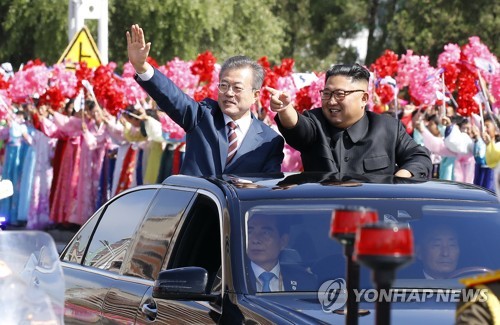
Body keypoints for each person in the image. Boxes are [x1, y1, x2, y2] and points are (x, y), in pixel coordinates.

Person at [126, 24, 284, 176]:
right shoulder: (202, 116)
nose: (229, 93)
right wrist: (142, 67)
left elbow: (267, 190)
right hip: (194, 202)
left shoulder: (269, 141)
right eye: (224, 85)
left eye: (237, 88)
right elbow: (172, 96)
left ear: (255, 95)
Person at [267, 63, 432, 178]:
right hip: (322, 219)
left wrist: (398, 181)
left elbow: (419, 158)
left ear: (363, 98)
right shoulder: (315, 121)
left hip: (373, 220)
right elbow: (298, 127)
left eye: (340, 94)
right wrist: (285, 108)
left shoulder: (388, 128)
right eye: (327, 93)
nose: (331, 101)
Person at [246, 214, 316, 292]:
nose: (255, 240)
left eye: (265, 233)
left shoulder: (304, 280)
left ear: (283, 241)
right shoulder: (234, 279)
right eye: (249, 232)